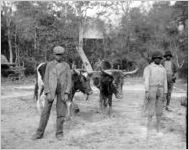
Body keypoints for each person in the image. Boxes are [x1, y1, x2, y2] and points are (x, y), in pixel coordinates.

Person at [32, 46, 72, 140]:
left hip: (62, 91)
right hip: (51, 91)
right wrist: (47, 92)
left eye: (60, 55)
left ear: (63, 55)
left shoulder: (66, 65)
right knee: (45, 112)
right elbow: (45, 79)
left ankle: (59, 133)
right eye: (57, 55)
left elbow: (69, 80)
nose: (59, 57)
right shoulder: (49, 65)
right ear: (54, 55)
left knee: (61, 113)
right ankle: (39, 133)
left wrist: (66, 92)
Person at [143, 51, 167, 136]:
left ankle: (158, 129)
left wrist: (165, 92)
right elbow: (146, 80)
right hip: (152, 88)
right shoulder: (148, 68)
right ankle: (148, 128)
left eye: (160, 58)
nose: (159, 60)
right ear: (153, 59)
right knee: (150, 109)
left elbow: (165, 81)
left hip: (160, 89)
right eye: (157, 58)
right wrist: (147, 91)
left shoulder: (163, 69)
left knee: (159, 110)